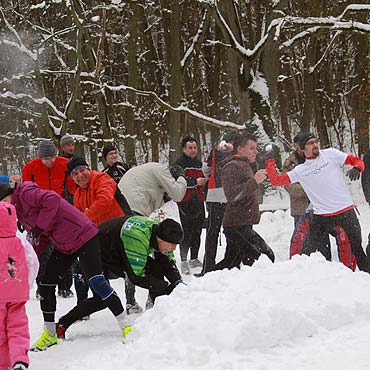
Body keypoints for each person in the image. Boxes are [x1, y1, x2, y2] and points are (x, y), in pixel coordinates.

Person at [0, 181, 130, 351]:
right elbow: (43, 236)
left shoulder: (25, 193)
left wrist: (38, 227)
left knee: (97, 281)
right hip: (63, 244)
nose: (4, 207)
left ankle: (125, 325)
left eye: (3, 202)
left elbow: (52, 200)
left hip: (84, 235)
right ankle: (50, 333)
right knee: (46, 284)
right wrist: (27, 255)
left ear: (7, 195)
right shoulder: (19, 212)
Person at [56, 216, 184, 334]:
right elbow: (137, 276)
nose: (174, 248)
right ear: (160, 238)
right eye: (172, 244)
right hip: (94, 255)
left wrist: (179, 284)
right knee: (103, 298)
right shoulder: (137, 237)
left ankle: (157, 315)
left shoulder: (157, 230)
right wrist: (168, 288)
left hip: (114, 252)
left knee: (157, 267)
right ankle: (62, 324)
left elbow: (167, 262)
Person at [265, 132, 370, 273]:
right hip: (322, 216)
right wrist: (270, 159)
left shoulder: (331, 154)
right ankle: (306, 280)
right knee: (307, 252)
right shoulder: (300, 170)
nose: (315, 145)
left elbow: (357, 160)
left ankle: (365, 281)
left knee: (357, 250)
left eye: (315, 141)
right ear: (302, 149)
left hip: (345, 212)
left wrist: (358, 168)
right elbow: (276, 181)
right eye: (310, 143)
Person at [67, 156, 141, 313]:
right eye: (75, 174)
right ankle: (90, 303)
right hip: (100, 234)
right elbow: (79, 219)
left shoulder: (102, 179)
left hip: (121, 228)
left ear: (88, 169)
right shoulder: (78, 195)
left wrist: (85, 218)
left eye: (82, 170)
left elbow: (105, 201)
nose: (80, 176)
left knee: (130, 267)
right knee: (83, 266)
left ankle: (131, 301)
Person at [213, 132, 275, 271]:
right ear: (240, 149)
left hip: (243, 223)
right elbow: (232, 195)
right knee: (266, 257)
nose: (256, 151)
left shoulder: (244, 165)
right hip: (236, 225)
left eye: (256, 148)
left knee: (231, 266)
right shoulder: (231, 166)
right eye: (252, 148)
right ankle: (202, 285)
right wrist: (254, 181)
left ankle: (208, 285)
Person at [22, 140, 75, 299]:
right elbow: (25, 193)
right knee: (42, 251)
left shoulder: (65, 164)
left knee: (64, 248)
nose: (49, 161)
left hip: (61, 211)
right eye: (46, 159)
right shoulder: (30, 168)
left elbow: (73, 189)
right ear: (40, 158)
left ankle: (65, 285)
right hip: (40, 214)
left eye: (52, 157)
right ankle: (42, 286)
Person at [0, 201, 39, 370]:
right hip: (18, 293)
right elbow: (33, 264)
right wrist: (27, 285)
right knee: (18, 327)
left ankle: (4, 364)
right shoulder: (22, 244)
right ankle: (19, 359)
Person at [200, 130, 237, 275]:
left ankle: (208, 267)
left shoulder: (215, 153)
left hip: (215, 195)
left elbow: (206, 170)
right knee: (231, 230)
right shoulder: (239, 153)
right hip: (233, 196)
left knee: (212, 233)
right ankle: (231, 263)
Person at [174, 136, 206, 275]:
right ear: (184, 149)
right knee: (186, 232)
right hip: (186, 201)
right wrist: (195, 182)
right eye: (190, 148)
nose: (193, 150)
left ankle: (194, 258)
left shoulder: (200, 164)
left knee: (198, 231)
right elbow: (178, 180)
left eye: (195, 148)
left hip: (199, 200)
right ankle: (183, 260)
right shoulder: (179, 164)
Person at [118, 162, 187, 217]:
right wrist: (181, 176)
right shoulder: (162, 170)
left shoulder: (148, 170)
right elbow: (178, 195)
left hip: (119, 208)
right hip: (134, 210)